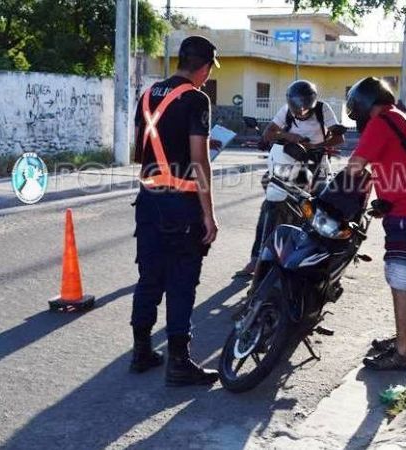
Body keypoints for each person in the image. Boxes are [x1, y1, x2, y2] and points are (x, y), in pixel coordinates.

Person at [129, 36, 221, 386]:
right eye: (209, 69)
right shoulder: (197, 99)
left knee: (149, 277)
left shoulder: (148, 95)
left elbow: (139, 152)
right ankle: (179, 363)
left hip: (148, 200)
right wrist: (209, 214)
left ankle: (141, 352)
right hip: (181, 205)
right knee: (182, 281)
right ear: (204, 67)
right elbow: (199, 162)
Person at [343, 77, 406, 371]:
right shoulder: (402, 119)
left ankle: (402, 354)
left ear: (364, 105)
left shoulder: (381, 122)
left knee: (399, 279)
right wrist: (386, 200)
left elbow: (354, 167)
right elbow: (402, 164)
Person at [238, 80, 344, 276]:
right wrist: (290, 137)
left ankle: (316, 260)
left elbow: (339, 138)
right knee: (269, 207)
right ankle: (256, 258)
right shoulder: (286, 110)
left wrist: (314, 146)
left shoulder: (323, 109)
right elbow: (269, 133)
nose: (300, 113)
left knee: (319, 209)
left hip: (316, 165)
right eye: (297, 110)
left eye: (304, 110)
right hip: (289, 164)